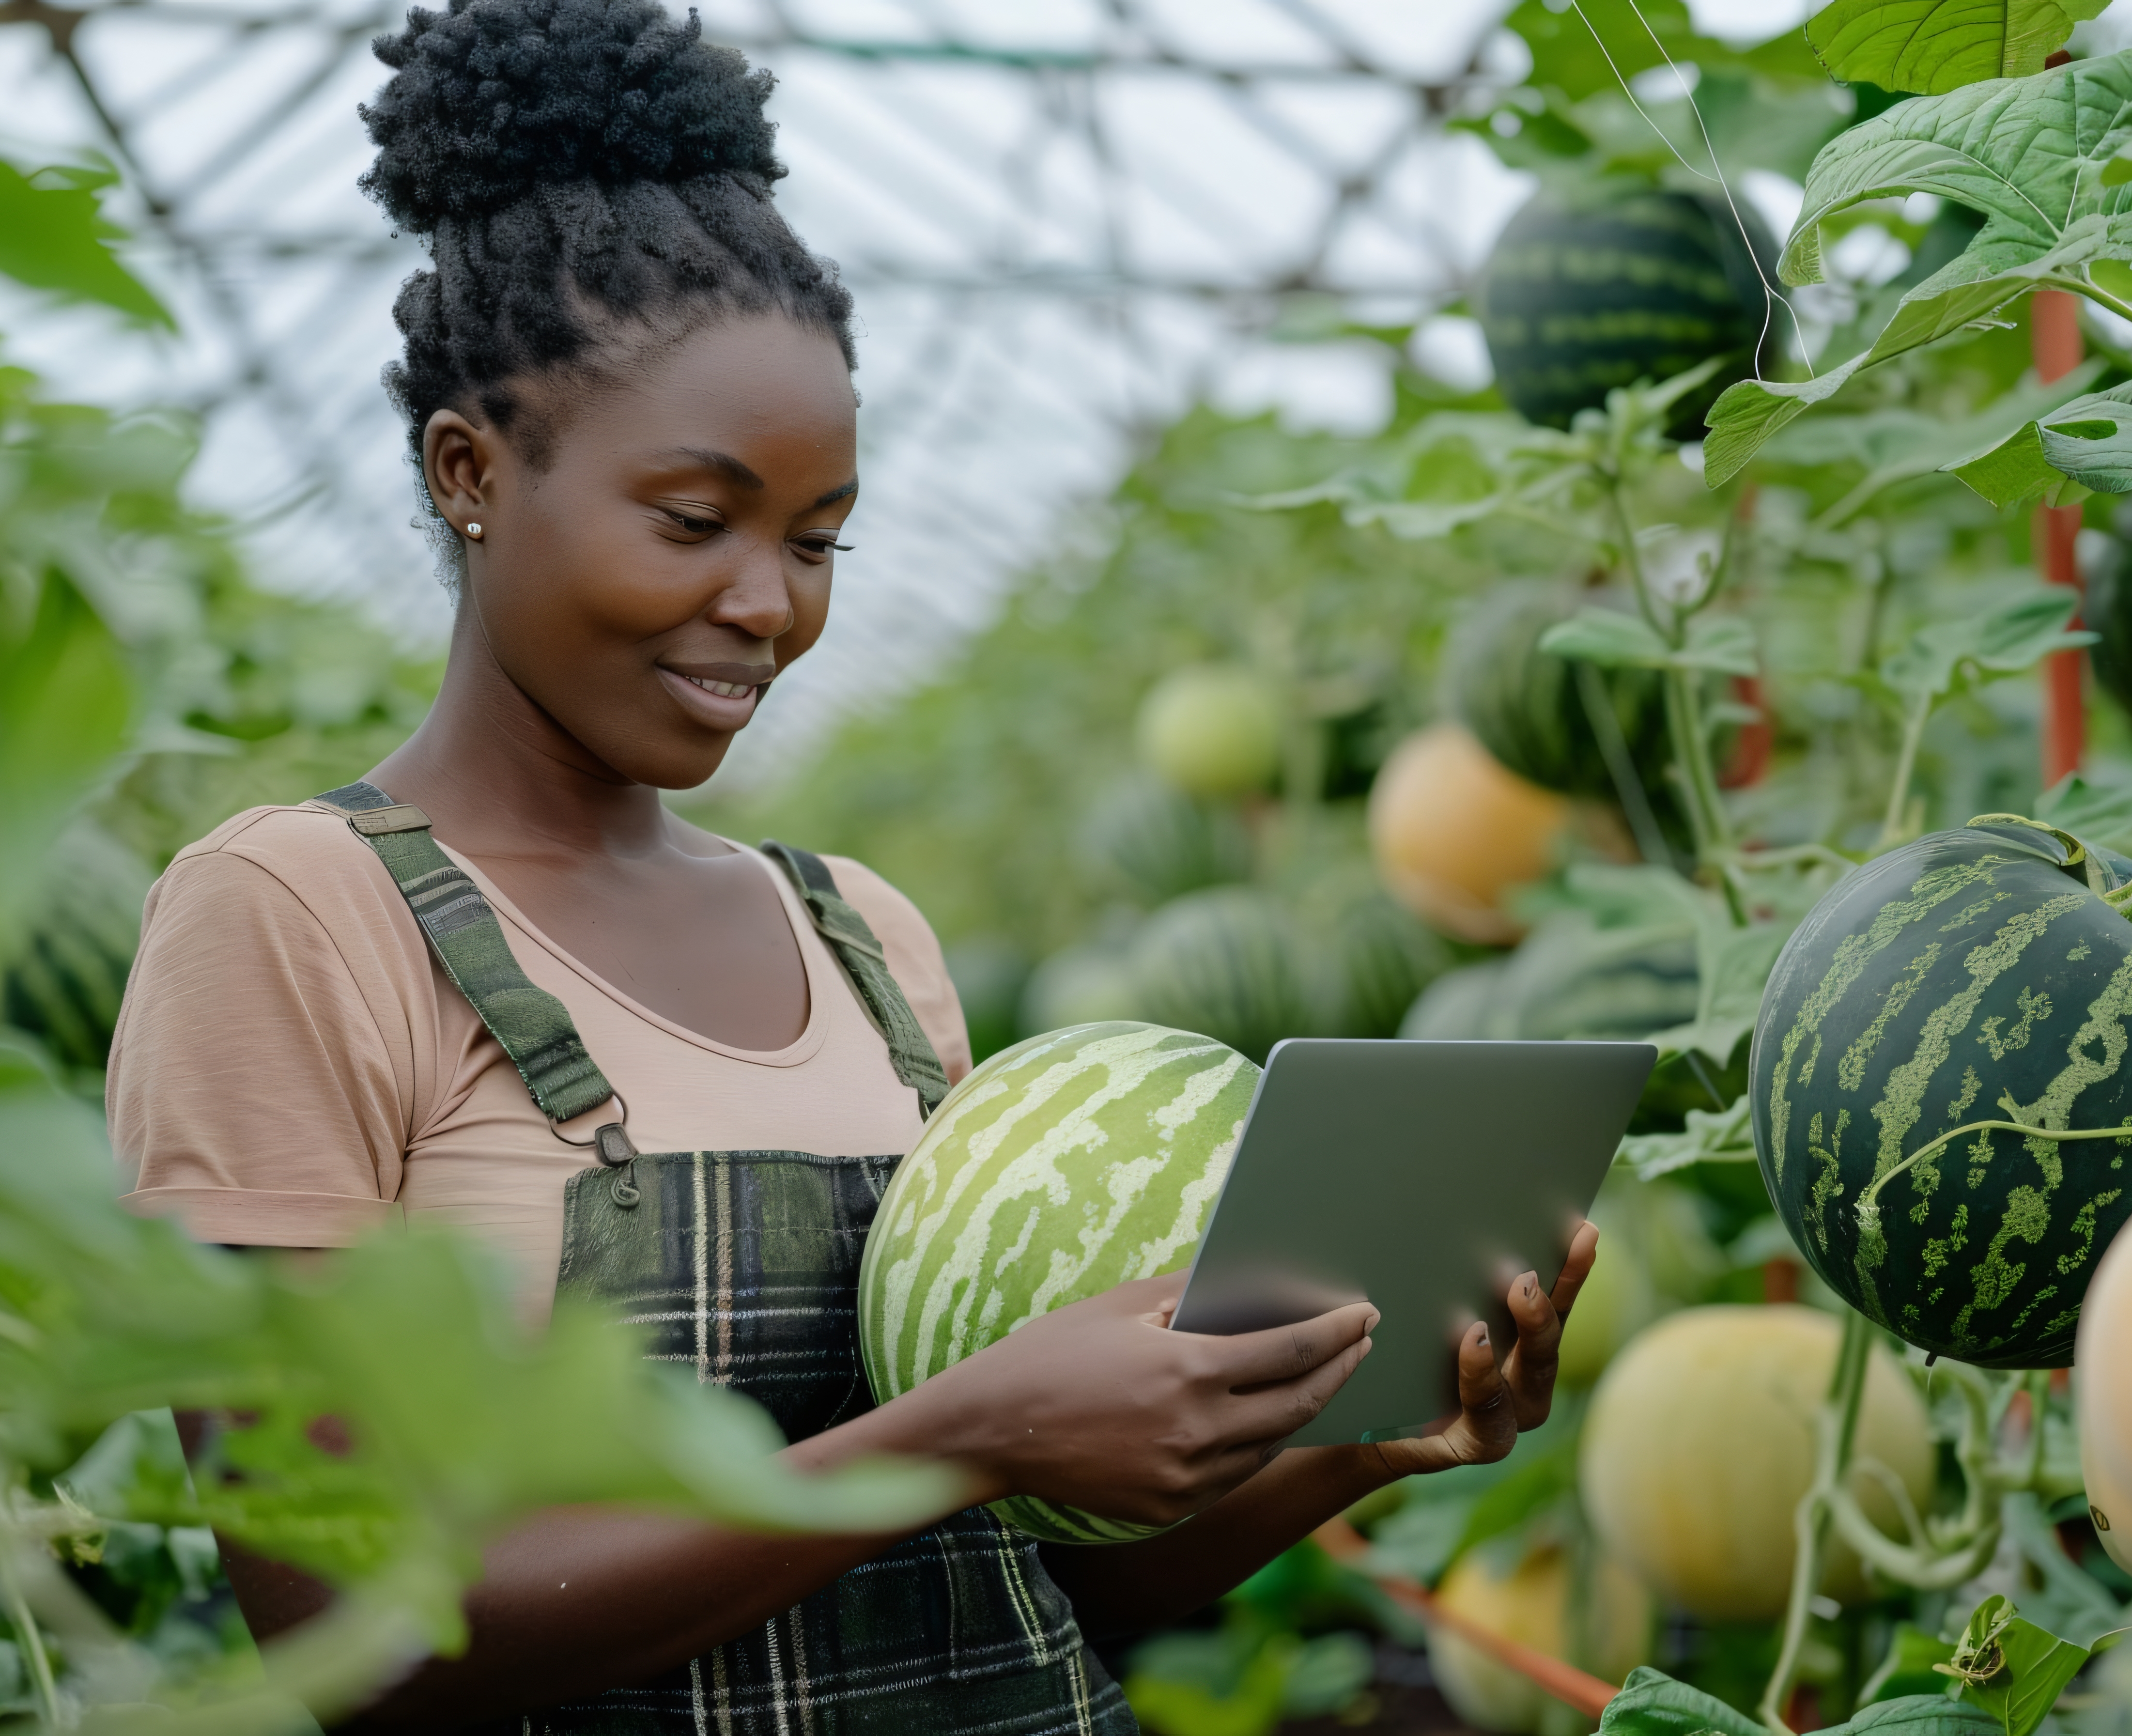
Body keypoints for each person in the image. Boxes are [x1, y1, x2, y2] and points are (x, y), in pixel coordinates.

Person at [106, 0, 1599, 1729]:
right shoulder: (296, 920)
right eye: (695, 522)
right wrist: (961, 1432)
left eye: (819, 541)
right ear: (470, 471)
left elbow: (1028, 1587)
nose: (769, 606)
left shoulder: (863, 938)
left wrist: (1368, 1448)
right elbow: (350, 1635)